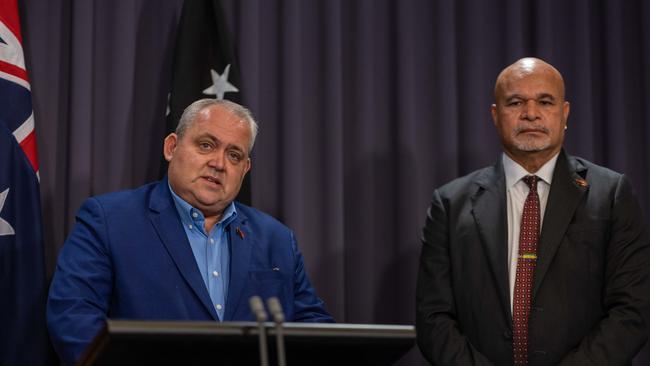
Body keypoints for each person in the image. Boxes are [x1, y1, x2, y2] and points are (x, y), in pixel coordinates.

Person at [47, 99, 334, 365]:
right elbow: (74, 319)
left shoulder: (277, 239)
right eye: (206, 145)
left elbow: (314, 328)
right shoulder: (109, 220)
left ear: (245, 169)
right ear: (172, 147)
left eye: (234, 155)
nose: (219, 164)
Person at [416, 57, 650, 365]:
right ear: (495, 116)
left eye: (545, 101)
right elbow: (433, 318)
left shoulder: (611, 194)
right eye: (515, 103)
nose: (530, 114)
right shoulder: (449, 203)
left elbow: (633, 308)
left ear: (564, 113)